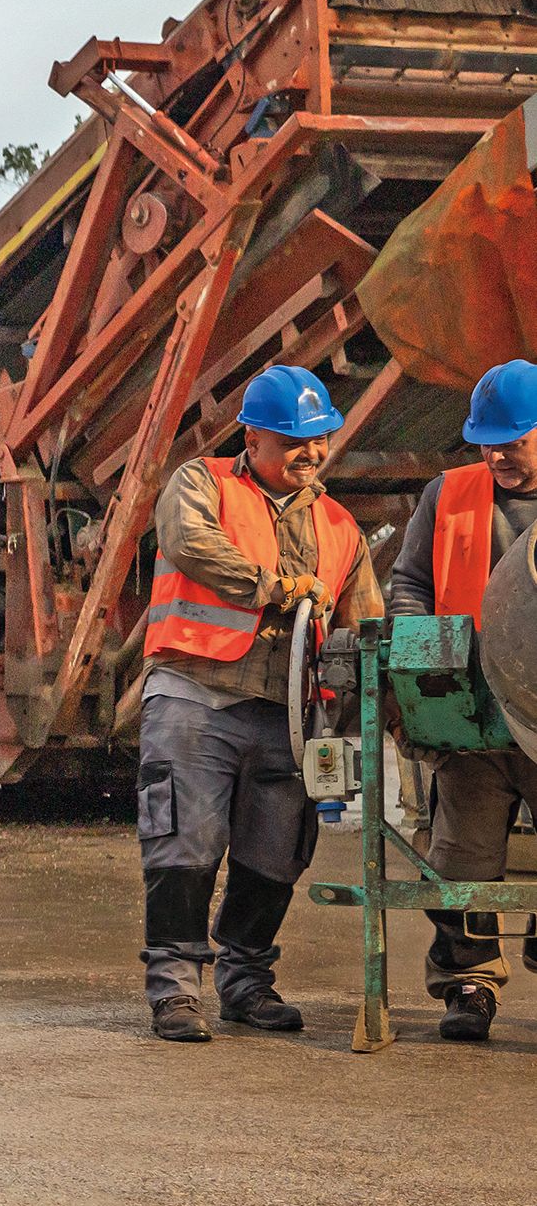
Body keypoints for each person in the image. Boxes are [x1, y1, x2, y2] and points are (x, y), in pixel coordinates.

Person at [138, 363, 383, 1042]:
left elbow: (366, 622)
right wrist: (273, 588)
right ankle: (176, 990)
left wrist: (384, 707)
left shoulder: (339, 527)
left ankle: (245, 982)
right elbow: (188, 544)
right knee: (183, 845)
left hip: (286, 714)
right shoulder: (202, 484)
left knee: (275, 855)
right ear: (252, 437)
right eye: (293, 440)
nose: (310, 452)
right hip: (196, 696)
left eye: (320, 438)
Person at [385, 358, 537, 1040]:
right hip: (470, 715)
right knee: (461, 859)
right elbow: (409, 583)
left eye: (514, 438)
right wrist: (422, 654)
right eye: (486, 439)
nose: (498, 453)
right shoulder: (448, 494)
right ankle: (467, 982)